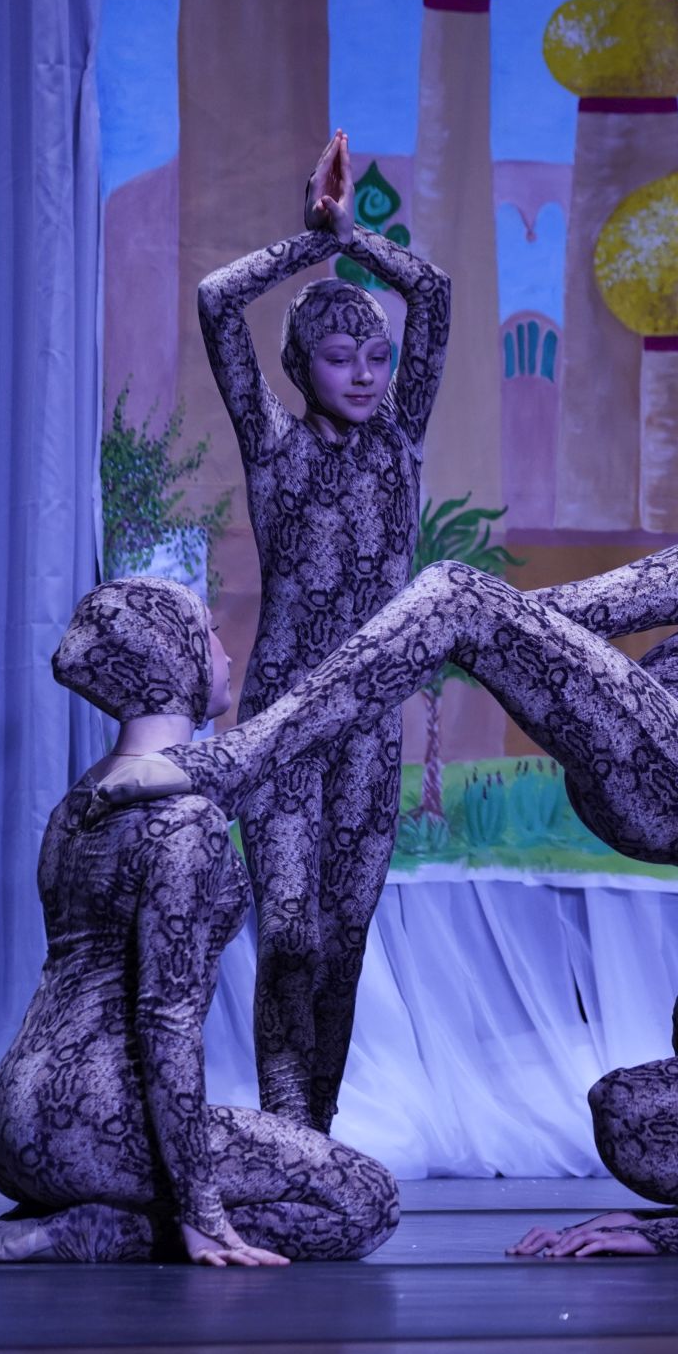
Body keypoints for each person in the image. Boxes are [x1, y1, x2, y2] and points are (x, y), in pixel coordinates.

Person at [85, 510, 678, 1259]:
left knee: (459, 597)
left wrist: (648, 1229)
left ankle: (235, 757)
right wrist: (657, 1229)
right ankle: (512, 626)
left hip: (675, 801)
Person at [0, 580, 398, 1266]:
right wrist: (200, 1208)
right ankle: (97, 1231)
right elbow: (166, 1020)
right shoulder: (184, 820)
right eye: (207, 631)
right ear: (170, 654)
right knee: (367, 1200)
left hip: (7, 1125)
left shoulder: (77, 805)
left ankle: (68, 1215)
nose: (224, 652)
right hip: (96, 1122)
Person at [198, 128, 451, 1134]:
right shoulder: (272, 443)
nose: (365, 372)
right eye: (341, 357)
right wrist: (311, 241)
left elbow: (434, 295)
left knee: (343, 942)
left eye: (376, 356)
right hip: (283, 718)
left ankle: (317, 1135)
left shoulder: (400, 441)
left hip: (371, 725)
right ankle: (280, 1118)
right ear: (300, 364)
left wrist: (355, 237)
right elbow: (217, 301)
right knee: (292, 934)